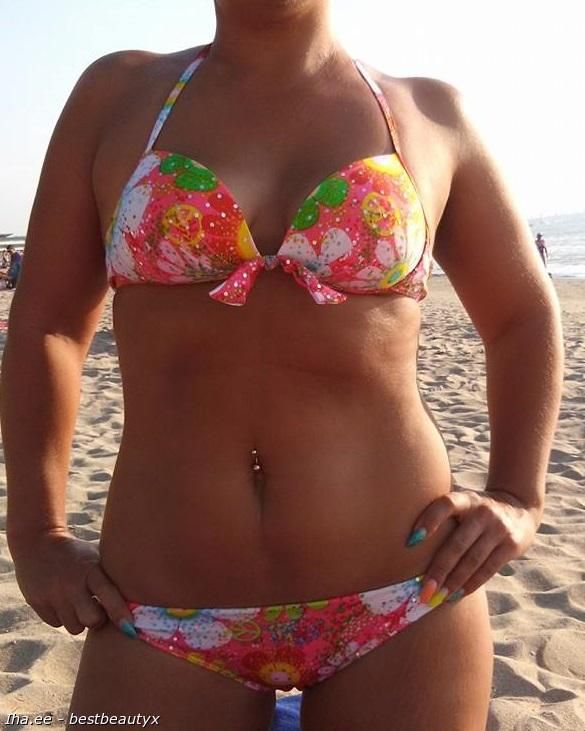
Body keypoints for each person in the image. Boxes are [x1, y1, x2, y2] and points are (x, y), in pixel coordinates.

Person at [2, 1, 563, 729]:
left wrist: (518, 494)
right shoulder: (117, 96)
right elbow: (46, 324)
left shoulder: (429, 115)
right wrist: (37, 533)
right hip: (161, 603)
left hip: (403, 596)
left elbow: (523, 314)